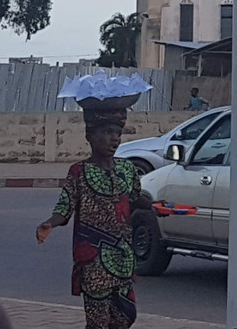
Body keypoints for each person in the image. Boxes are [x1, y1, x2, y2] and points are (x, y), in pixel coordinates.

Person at [36, 107, 151, 329]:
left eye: (118, 134)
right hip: (93, 259)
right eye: (108, 132)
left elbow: (135, 199)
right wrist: (50, 223)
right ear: (90, 136)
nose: (114, 139)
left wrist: (157, 206)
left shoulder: (127, 169)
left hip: (123, 258)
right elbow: (65, 206)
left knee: (125, 317)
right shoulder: (78, 172)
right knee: (98, 322)